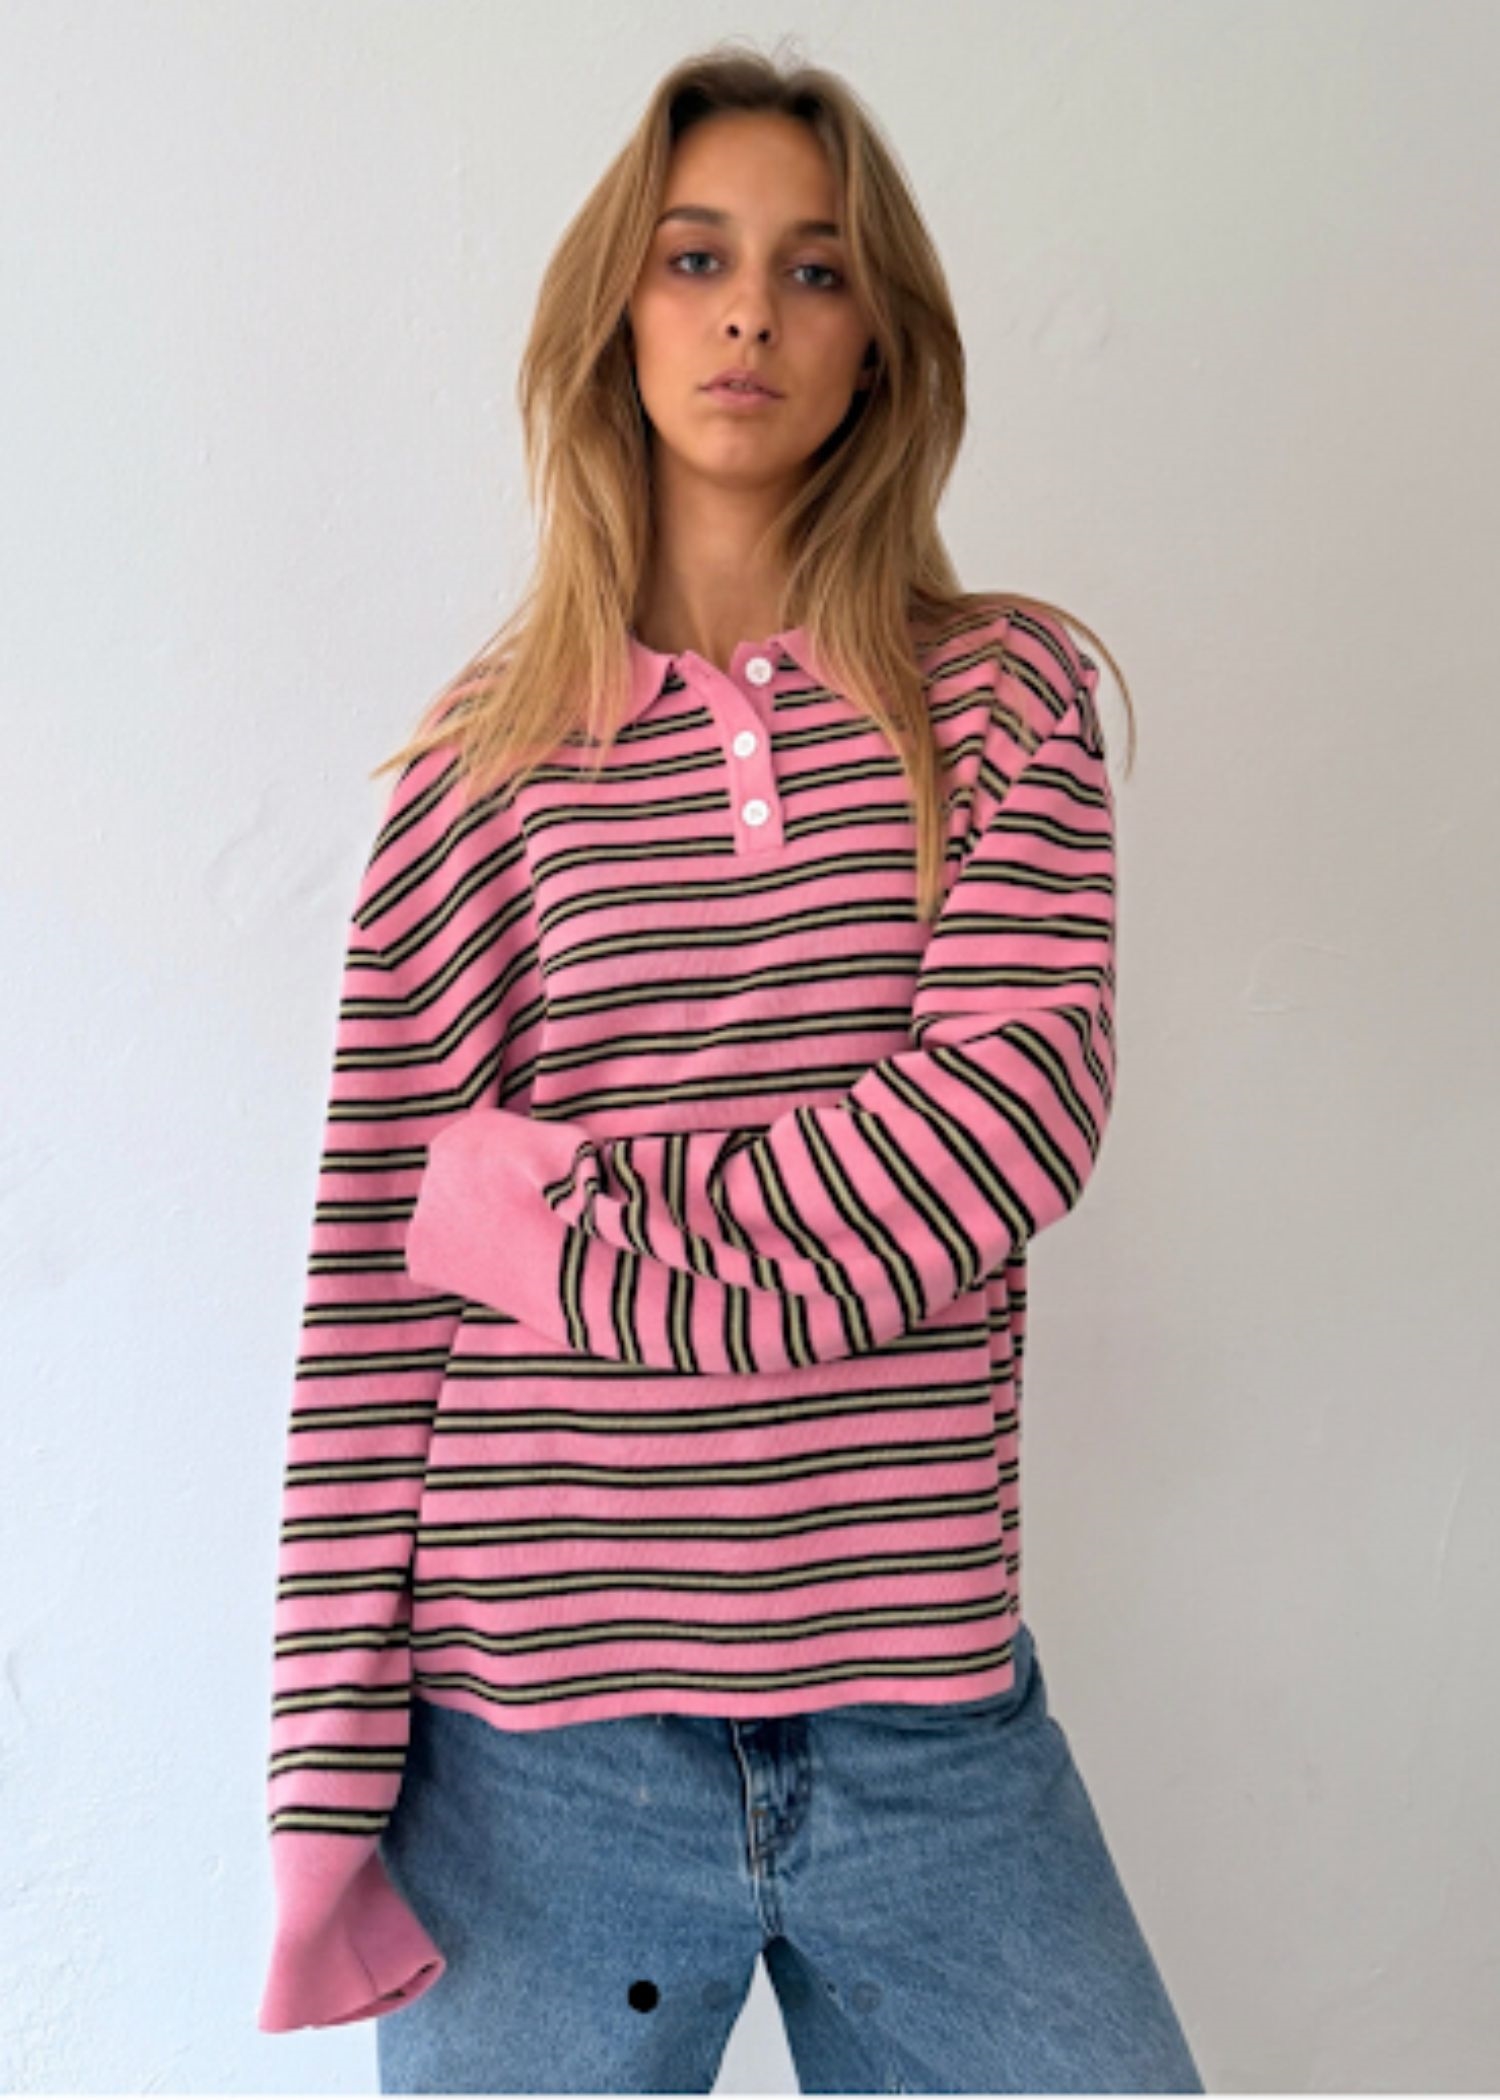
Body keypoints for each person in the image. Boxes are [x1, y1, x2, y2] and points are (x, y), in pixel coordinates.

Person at [256, 35, 1205, 2095]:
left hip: (927, 1734)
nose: (752, 310)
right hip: (538, 1755)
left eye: (814, 267)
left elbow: (1001, 1130)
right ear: (619, 312)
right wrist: (322, 1789)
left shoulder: (1001, 705)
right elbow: (375, 1302)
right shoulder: (480, 771)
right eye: (695, 257)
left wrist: (554, 1233)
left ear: (881, 342)